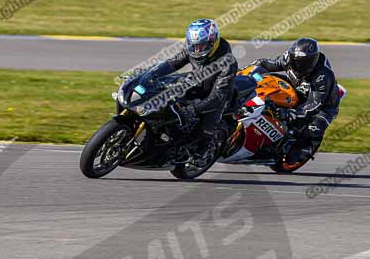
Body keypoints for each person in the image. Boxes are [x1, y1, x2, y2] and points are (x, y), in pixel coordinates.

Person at [140, 18, 238, 164]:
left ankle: (202, 151)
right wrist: (150, 75)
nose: (197, 50)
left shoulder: (227, 63)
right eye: (194, 46)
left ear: (213, 42)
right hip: (197, 83)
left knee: (208, 123)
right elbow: (172, 63)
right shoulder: (193, 48)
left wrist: (193, 109)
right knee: (167, 95)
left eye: (202, 46)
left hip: (217, 95)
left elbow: (218, 96)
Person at [250, 37, 339, 163]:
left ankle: (303, 149)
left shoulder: (323, 75)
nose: (298, 66)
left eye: (303, 63)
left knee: (311, 129)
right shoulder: (289, 58)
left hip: (323, 106)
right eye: (296, 62)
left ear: (313, 61)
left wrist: (293, 114)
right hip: (295, 87)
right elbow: (266, 64)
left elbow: (314, 104)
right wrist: (249, 70)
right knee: (265, 79)